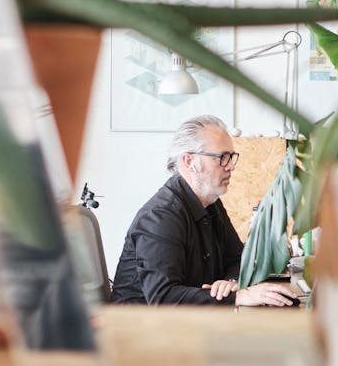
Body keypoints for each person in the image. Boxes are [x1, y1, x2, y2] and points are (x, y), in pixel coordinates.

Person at [111, 114, 299, 306]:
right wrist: (239, 297)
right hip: (140, 327)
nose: (231, 166)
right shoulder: (161, 216)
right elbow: (164, 298)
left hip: (189, 322)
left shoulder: (211, 203)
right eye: (222, 158)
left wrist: (230, 283)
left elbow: (237, 258)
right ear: (189, 161)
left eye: (231, 157)